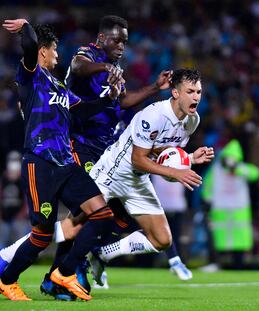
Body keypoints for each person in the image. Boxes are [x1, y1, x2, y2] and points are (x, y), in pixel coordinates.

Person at [0, 18, 123, 301]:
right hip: (40, 161)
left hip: (65, 162)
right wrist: (28, 27)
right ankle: (7, 279)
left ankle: (63, 272)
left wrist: (111, 98)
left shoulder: (59, 86)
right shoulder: (30, 77)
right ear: (43, 51)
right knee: (41, 235)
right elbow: (28, 44)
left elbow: (85, 110)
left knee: (101, 214)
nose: (57, 55)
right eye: (54, 50)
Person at [87, 68, 214, 285]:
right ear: (175, 93)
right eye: (190, 91)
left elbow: (164, 153)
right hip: (113, 171)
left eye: (199, 92)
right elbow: (139, 158)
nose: (196, 97)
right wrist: (177, 172)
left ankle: (103, 253)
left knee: (162, 240)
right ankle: (25, 263)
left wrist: (190, 158)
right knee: (75, 224)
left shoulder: (192, 121)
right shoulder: (154, 114)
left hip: (138, 178)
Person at [200, 139, 259, 271]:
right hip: (220, 208)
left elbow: (255, 174)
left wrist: (237, 169)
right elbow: (208, 186)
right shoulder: (216, 170)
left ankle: (238, 266)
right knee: (218, 238)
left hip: (238, 209)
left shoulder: (241, 169)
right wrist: (207, 202)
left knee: (239, 241)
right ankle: (216, 264)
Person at [151, 175, 191, 280]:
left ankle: (177, 261)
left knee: (174, 237)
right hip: (159, 207)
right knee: (156, 236)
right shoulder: (153, 167)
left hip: (176, 207)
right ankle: (152, 263)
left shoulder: (180, 164)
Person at [0, 150, 28, 248]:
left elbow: (27, 199)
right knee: (1, 242)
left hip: (19, 219)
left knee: (21, 243)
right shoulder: (2, 179)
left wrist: (22, 214)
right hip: (4, 216)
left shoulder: (23, 179)